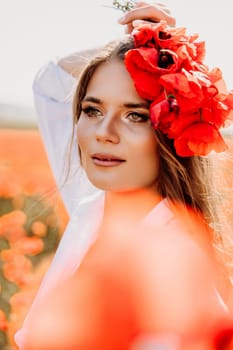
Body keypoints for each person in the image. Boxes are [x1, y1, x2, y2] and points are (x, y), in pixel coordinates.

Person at [15, 2, 233, 349]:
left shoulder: (173, 265)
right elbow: (51, 82)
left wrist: (169, 61)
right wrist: (141, 50)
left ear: (172, 132)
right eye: (92, 109)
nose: (104, 132)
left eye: (136, 116)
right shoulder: (91, 207)